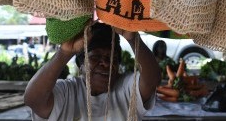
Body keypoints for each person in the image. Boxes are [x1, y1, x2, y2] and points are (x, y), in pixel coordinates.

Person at [24, 21, 161, 120]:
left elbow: (152, 80)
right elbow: (33, 99)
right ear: (81, 64)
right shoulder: (67, 91)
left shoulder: (126, 88)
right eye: (95, 57)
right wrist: (64, 53)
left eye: (111, 58)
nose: (105, 63)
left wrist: (133, 39)